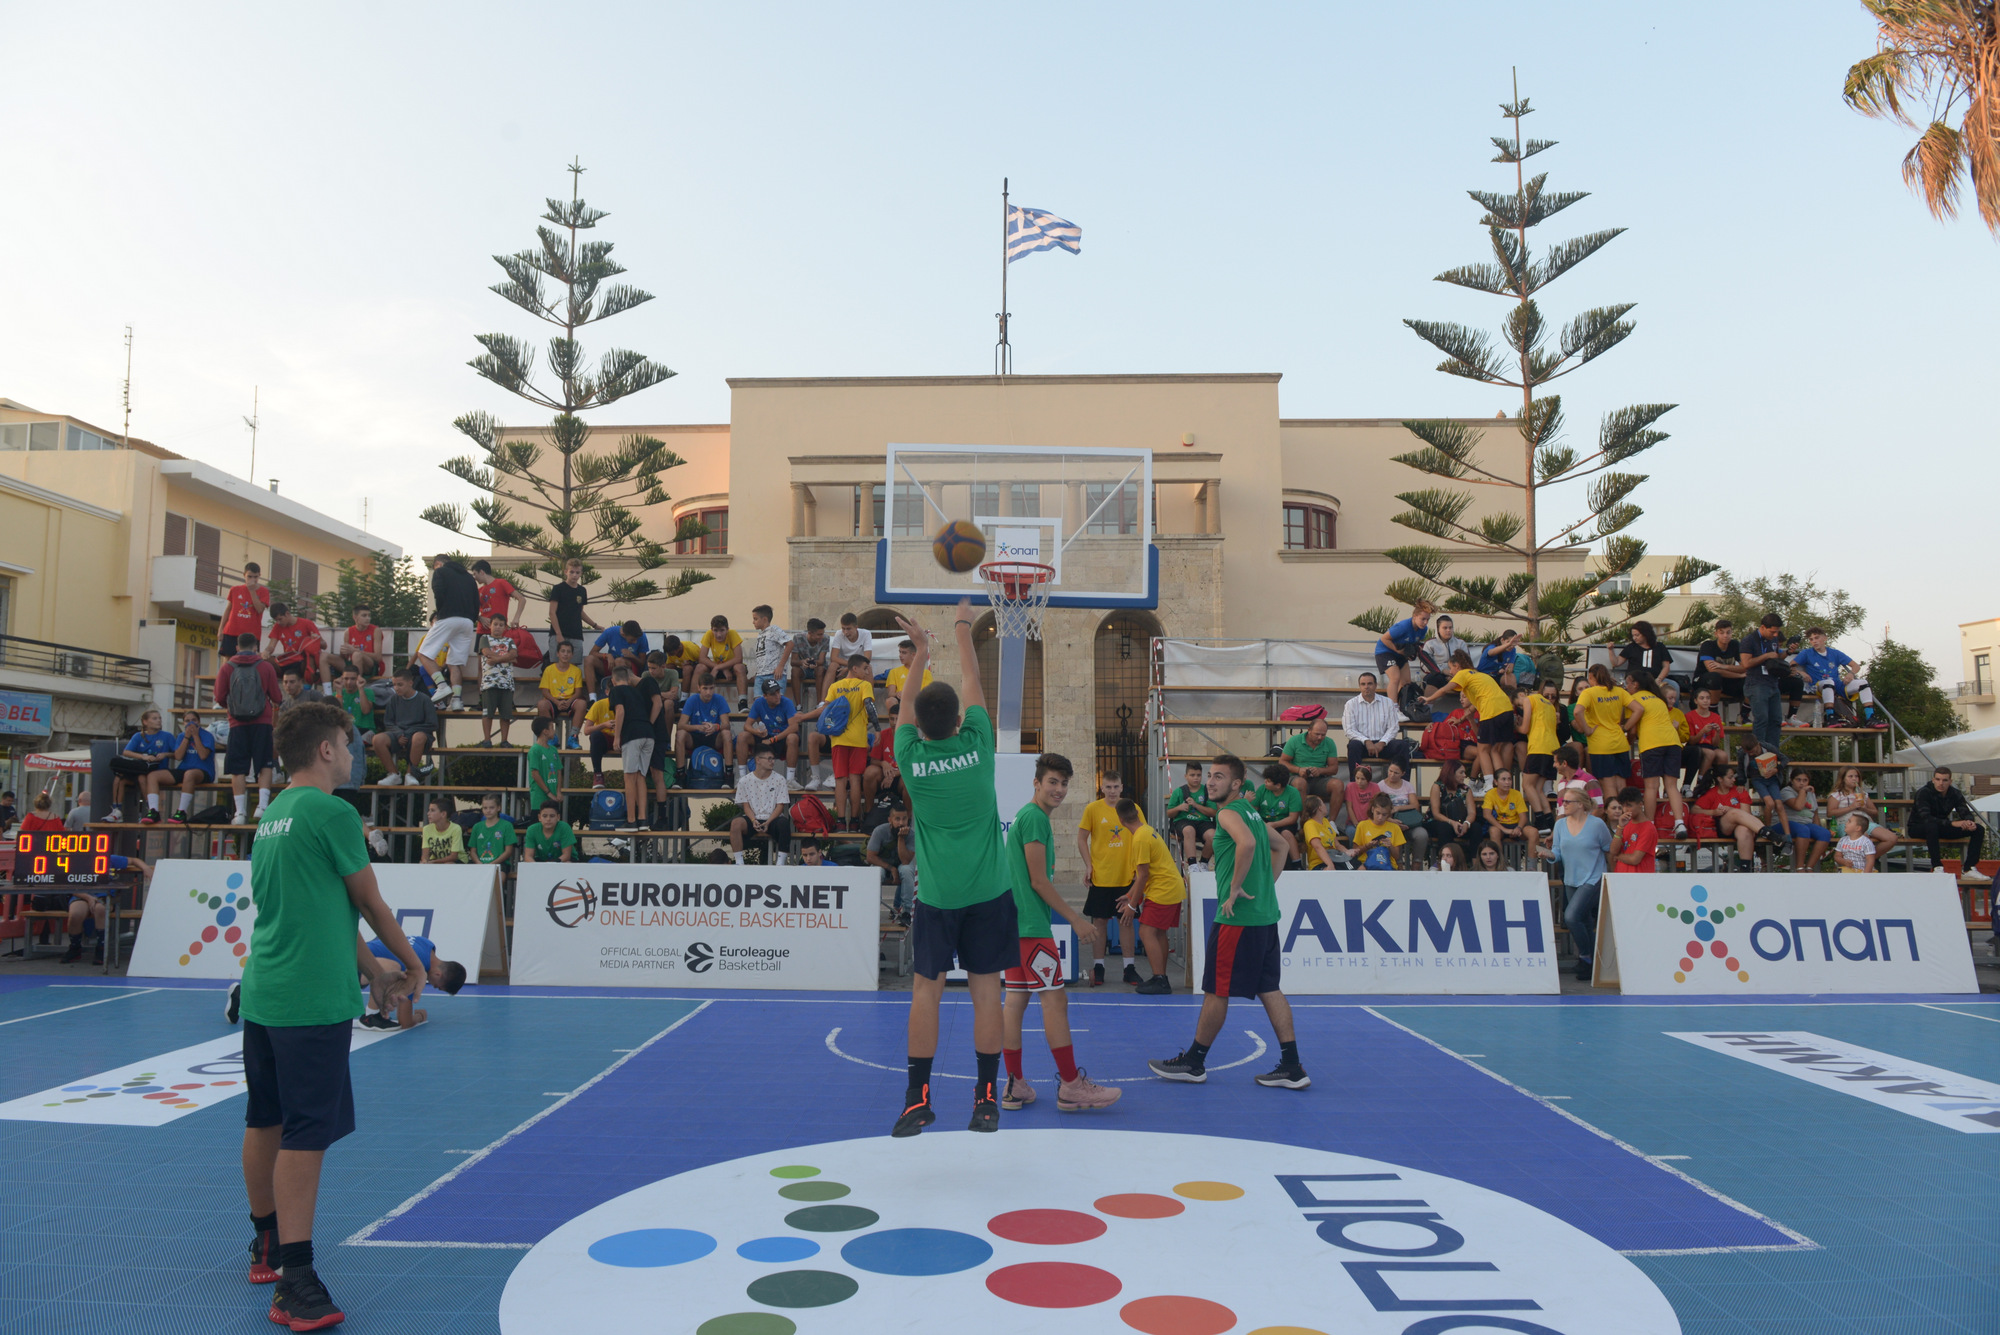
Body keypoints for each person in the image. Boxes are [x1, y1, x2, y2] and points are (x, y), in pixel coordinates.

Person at [236, 701, 426, 1331]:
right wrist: (410, 965)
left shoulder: (273, 815)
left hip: (264, 989)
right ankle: (296, 1278)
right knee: (306, 1133)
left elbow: (323, 909)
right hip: (309, 999)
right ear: (325, 749)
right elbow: (369, 902)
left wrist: (373, 973)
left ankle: (266, 1242)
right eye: (348, 744)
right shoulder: (333, 811)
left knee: (265, 1117)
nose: (352, 754)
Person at [890, 598, 1014, 1137]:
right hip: (989, 892)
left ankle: (917, 1100)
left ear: (918, 724)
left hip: (937, 897)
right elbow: (971, 677)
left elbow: (907, 707)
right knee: (988, 993)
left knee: (926, 992)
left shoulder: (910, 758)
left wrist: (920, 651)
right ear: (961, 722)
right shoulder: (981, 745)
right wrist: (963, 628)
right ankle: (986, 1098)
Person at [1149, 753, 1308, 1089]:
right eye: (1210, 775)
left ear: (1236, 784)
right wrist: (1264, 885)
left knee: (1216, 990)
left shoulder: (1228, 813)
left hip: (1237, 920)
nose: (1210, 781)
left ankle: (1194, 1062)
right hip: (1264, 916)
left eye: (1219, 777)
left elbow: (1247, 844)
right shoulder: (1252, 812)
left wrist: (1235, 887)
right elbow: (1279, 846)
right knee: (1269, 988)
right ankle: (1293, 1066)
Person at [998, 751, 1120, 1112]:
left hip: (1015, 926)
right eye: (1052, 781)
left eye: (1064, 783)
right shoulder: (1034, 819)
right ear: (1037, 783)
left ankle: (1015, 1084)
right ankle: (1071, 1086)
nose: (1059, 789)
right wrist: (1075, 919)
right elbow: (1038, 881)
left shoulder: (1025, 816)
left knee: (1016, 1002)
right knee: (1055, 1000)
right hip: (1032, 927)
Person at [1117, 799, 1187, 995]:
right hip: (1172, 888)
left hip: (1163, 890)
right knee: (1158, 933)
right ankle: (1160, 976)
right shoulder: (1147, 830)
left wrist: (1132, 906)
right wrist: (1130, 895)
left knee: (1146, 933)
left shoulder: (1139, 838)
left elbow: (1143, 875)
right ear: (1137, 814)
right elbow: (1145, 875)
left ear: (1121, 820)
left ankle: (1160, 980)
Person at [1422, 649, 1515, 793]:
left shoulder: (1462, 674)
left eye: (1451, 668)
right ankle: (1502, 784)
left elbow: (1444, 690)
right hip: (1506, 711)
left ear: (1457, 666)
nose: (1451, 672)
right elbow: (1474, 705)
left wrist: (1428, 699)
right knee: (1495, 750)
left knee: (1483, 749)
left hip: (1491, 712)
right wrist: (1462, 718)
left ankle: (1489, 786)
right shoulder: (1479, 675)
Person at [1078, 769, 1139, 985]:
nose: (1112, 791)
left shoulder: (1133, 808)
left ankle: (1129, 967)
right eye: (1108, 787)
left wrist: (1139, 870)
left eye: (1116, 787)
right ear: (1101, 788)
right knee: (1099, 922)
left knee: (1126, 922)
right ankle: (1098, 967)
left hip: (1126, 876)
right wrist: (1088, 865)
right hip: (1101, 876)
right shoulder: (1093, 809)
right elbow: (1081, 838)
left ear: (1122, 787)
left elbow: (1141, 837)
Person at [215, 633, 282, 824]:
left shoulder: (227, 667)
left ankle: (240, 812)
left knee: (238, 769)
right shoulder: (265, 666)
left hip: (237, 723)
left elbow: (219, 696)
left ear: (237, 647)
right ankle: (262, 807)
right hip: (262, 722)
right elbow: (277, 697)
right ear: (255, 647)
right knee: (264, 764)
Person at [1548, 787, 1613, 980]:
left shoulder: (1597, 824)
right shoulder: (1560, 825)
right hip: (1571, 878)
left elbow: (1609, 848)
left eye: (1567, 802)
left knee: (1571, 916)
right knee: (1583, 920)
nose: (1563, 805)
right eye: (1563, 802)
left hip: (1593, 877)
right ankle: (1592, 962)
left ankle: (1585, 956)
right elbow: (1557, 852)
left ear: (1581, 804)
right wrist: (1548, 854)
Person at [1625, 670, 1689, 836]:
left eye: (1628, 683)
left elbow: (1631, 728)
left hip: (1652, 743)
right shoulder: (1658, 699)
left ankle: (1650, 824)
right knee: (1672, 786)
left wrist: (1628, 740)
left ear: (1636, 684)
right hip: (1672, 742)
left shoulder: (1633, 699)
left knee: (1651, 787)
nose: (1626, 686)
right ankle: (1679, 823)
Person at [359, 933, 468, 1030]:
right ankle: (370, 1016)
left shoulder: (427, 944)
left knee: (392, 967)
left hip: (354, 958)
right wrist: (420, 1017)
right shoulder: (416, 968)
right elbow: (405, 1022)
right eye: (437, 986)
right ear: (438, 974)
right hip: (353, 967)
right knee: (393, 967)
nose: (433, 986)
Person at [815, 654, 875, 826]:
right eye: (865, 668)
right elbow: (870, 707)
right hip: (858, 739)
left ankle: (841, 821)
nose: (866, 672)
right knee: (855, 779)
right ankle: (855, 821)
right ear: (854, 668)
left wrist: (803, 717)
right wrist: (877, 728)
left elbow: (826, 711)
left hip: (838, 738)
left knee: (840, 780)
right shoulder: (864, 685)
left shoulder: (835, 686)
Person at [415, 555, 481, 710]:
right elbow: (476, 601)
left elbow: (438, 592)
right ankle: (457, 699)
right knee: (454, 662)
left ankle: (442, 685)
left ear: (438, 564)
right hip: (467, 622)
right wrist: (471, 618)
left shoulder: (440, 572)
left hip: (448, 617)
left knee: (423, 653)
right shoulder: (469, 577)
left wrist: (442, 611)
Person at [60, 854, 150, 965]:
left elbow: (133, 859)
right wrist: (88, 898)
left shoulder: (109, 858)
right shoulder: (74, 860)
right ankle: (75, 948)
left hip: (104, 895)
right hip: (82, 895)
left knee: (100, 909)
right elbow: (68, 884)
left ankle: (101, 948)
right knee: (75, 914)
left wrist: (145, 867)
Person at [1910, 766, 1989, 882]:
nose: (1940, 783)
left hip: (1941, 827)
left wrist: (1969, 822)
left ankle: (1968, 869)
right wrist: (1953, 823)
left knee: (1978, 829)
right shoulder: (1923, 793)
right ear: (1933, 780)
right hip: (1918, 826)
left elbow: (1964, 811)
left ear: (1950, 781)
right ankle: (1937, 867)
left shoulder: (1954, 793)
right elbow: (1926, 818)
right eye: (1938, 779)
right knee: (1931, 826)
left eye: (1944, 780)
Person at [1795, 627, 1883, 727]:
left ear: (1825, 638)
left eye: (1816, 638)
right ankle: (1830, 717)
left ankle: (1870, 717)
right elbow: (1790, 666)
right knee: (1829, 682)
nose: (1814, 641)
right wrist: (1801, 672)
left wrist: (1850, 674)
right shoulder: (1806, 653)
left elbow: (1856, 666)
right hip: (1818, 686)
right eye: (1811, 639)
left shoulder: (1835, 653)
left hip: (1837, 684)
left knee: (1863, 683)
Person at [372, 669, 440, 786]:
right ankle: (393, 774)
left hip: (419, 734)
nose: (396, 688)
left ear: (410, 683)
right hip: (398, 734)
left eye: (400, 684)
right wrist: (399, 734)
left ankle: (410, 774)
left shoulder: (424, 699)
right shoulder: (393, 699)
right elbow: (388, 722)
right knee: (377, 739)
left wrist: (409, 733)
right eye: (394, 685)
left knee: (418, 738)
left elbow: (432, 724)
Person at [1693, 767, 1773, 864]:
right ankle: (1767, 832)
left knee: (1744, 830)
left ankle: (1745, 868)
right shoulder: (1712, 793)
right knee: (1733, 813)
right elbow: (1694, 810)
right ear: (1720, 779)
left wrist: (1730, 809)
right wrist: (1713, 812)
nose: (1734, 780)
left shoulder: (1739, 791)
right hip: (1722, 828)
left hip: (1740, 827)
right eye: (1730, 777)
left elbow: (1746, 813)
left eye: (1734, 777)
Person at [1341, 671, 1411, 779]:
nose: (1366, 687)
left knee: (1402, 746)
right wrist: (1366, 741)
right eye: (1363, 684)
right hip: (1362, 745)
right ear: (1359, 686)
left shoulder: (1388, 702)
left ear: (1375, 685)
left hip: (1384, 745)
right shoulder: (1351, 704)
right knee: (1353, 745)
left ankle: (1402, 786)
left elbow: (1393, 727)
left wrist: (1382, 742)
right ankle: (1354, 785)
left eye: (1369, 684)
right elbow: (1349, 730)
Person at [1574, 664, 1635, 787]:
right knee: (1621, 782)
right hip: (1620, 743)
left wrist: (1587, 730)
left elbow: (1577, 711)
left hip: (1600, 745)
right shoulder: (1619, 691)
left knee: (1607, 784)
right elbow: (1639, 709)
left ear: (1591, 677)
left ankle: (1611, 807)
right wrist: (1625, 727)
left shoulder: (1589, 693)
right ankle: (1622, 807)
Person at [729, 745, 792, 864]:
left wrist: (768, 822)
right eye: (769, 758)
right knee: (736, 824)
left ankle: (781, 863)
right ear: (758, 760)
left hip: (773, 818)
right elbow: (746, 806)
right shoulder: (744, 781)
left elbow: (780, 806)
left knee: (784, 824)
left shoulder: (780, 779)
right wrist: (753, 820)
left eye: (773, 759)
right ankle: (739, 862)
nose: (772, 762)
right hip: (753, 817)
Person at [112, 708, 176, 823]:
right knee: (119, 778)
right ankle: (117, 810)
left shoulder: (167, 736)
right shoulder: (138, 736)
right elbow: (126, 752)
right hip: (141, 769)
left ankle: (151, 809)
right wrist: (143, 757)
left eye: (159, 718)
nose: (158, 721)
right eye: (155, 718)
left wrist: (165, 754)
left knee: (144, 777)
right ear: (145, 722)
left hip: (158, 771)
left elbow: (177, 754)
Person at [609, 663, 652, 831]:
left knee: (629, 777)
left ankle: (631, 820)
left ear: (613, 680)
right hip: (649, 734)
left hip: (632, 734)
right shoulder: (637, 691)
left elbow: (620, 711)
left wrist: (617, 736)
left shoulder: (616, 691)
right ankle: (643, 820)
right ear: (628, 678)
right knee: (641, 776)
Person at [1738, 612, 1788, 755]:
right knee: (1762, 719)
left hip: (1772, 683)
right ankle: (1758, 754)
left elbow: (1776, 657)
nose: (1775, 635)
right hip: (1756, 683)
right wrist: (1766, 655)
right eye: (1772, 632)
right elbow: (1746, 663)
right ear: (1763, 627)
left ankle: (1772, 753)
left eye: (1777, 632)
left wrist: (1788, 652)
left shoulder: (1773, 640)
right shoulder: (1749, 640)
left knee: (1776, 720)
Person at [1828, 765, 1900, 864]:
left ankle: (1866, 861)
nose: (1854, 779)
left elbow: (1875, 812)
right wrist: (1851, 807)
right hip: (1846, 823)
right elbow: (1830, 813)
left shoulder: (1863, 794)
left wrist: (1863, 808)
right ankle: (1860, 863)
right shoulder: (1837, 795)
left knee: (1892, 838)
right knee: (1863, 837)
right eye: (1850, 776)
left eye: (1856, 776)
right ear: (1843, 779)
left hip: (1866, 822)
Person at [154, 711, 218, 824]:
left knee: (190, 774)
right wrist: (187, 738)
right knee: (153, 776)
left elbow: (203, 755)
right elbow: (178, 756)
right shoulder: (181, 736)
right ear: (183, 723)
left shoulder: (207, 736)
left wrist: (196, 736)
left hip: (203, 771)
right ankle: (153, 811)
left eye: (194, 720)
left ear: (199, 722)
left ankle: (181, 811)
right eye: (187, 721)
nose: (191, 723)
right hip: (184, 769)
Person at [1373, 600, 1434, 714]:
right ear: (1414, 616)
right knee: (1395, 677)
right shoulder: (1403, 626)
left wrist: (1412, 652)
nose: (1425, 622)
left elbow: (1414, 644)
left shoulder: (1423, 630)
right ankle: (1393, 708)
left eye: (1427, 620)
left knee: (1406, 682)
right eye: (1423, 619)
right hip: (1385, 651)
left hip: (1400, 654)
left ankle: (1403, 708)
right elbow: (1384, 639)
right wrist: (1397, 650)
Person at [1517, 681, 1561, 822]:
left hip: (1538, 747)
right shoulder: (1551, 706)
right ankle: (1549, 819)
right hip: (1553, 749)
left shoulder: (1530, 699)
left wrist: (1516, 725)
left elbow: (1524, 729)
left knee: (1527, 785)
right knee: (1538, 788)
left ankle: (1540, 819)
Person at [475, 614, 519, 746]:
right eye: (495, 624)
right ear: (490, 625)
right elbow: (486, 652)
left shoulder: (509, 641)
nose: (498, 627)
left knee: (506, 715)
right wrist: (506, 658)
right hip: (489, 683)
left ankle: (504, 740)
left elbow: (514, 654)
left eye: (501, 625)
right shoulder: (485, 638)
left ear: (505, 627)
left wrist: (496, 660)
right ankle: (487, 739)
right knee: (487, 713)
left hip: (506, 684)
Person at [545, 558, 599, 664]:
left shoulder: (582, 591)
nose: (574, 575)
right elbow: (552, 612)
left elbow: (580, 612)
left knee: (575, 665)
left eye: (577, 572)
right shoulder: (558, 589)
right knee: (556, 665)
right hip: (559, 634)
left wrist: (595, 625)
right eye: (572, 572)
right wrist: (559, 634)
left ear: (581, 574)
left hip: (576, 634)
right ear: (566, 572)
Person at [1165, 760, 1217, 869]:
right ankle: (1192, 865)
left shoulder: (1207, 790)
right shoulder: (1179, 791)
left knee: (1213, 835)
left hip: (1203, 822)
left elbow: (1213, 812)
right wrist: (1179, 808)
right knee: (1189, 830)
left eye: (1198, 775)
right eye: (1192, 775)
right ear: (1185, 776)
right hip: (1184, 821)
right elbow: (1169, 813)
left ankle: (1204, 863)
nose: (1196, 778)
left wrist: (1196, 805)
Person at [1279, 714, 1342, 805]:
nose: (1320, 737)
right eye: (1317, 734)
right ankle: (1303, 818)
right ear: (1309, 731)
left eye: (1323, 735)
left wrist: (1320, 771)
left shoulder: (1329, 742)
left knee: (1338, 785)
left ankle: (1332, 819)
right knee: (1300, 783)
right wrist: (1299, 770)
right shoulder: (1294, 740)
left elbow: (1334, 768)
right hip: (1298, 776)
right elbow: (1282, 761)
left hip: (1320, 779)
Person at [867, 803, 915, 922]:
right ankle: (872, 910)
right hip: (882, 864)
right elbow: (870, 857)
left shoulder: (911, 835)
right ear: (890, 820)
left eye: (904, 819)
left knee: (907, 870)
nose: (901, 823)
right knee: (877, 872)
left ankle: (906, 912)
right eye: (897, 819)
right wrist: (891, 869)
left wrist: (901, 838)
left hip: (900, 866)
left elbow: (905, 861)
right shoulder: (879, 831)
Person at [1253, 763, 1305, 869]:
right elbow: (1253, 811)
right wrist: (1262, 824)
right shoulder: (1262, 790)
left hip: (1284, 822)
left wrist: (1274, 824)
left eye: (1268, 781)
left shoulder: (1293, 792)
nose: (1265, 782)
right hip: (1263, 821)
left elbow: (1293, 818)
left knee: (1287, 833)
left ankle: (1297, 864)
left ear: (1278, 785)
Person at [536, 640, 589, 746]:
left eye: (568, 652)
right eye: (563, 651)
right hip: (554, 700)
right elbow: (545, 691)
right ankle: (552, 737)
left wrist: (568, 702)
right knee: (541, 704)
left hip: (570, 700)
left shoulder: (576, 671)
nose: (565, 654)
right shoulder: (549, 670)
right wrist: (557, 702)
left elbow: (578, 692)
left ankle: (573, 737)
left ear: (572, 655)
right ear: (557, 653)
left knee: (582, 704)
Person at [740, 679, 800, 770]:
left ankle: (790, 779)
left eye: (778, 692)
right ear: (765, 696)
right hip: (766, 736)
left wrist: (773, 739)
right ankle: (742, 776)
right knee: (743, 736)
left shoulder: (787, 702)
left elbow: (794, 727)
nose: (778, 696)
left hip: (782, 738)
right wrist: (756, 732)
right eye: (773, 694)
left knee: (793, 737)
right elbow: (746, 726)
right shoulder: (758, 702)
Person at [1695, 618, 1747, 723]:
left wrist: (1724, 666)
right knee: (1714, 677)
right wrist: (1739, 675)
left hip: (1726, 681)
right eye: (1721, 632)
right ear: (1716, 634)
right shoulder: (1708, 645)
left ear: (1732, 633)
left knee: (1752, 679)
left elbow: (1745, 667)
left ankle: (1744, 715)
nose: (1725, 635)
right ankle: (1713, 714)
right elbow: (1712, 669)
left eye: (1728, 632)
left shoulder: (1735, 645)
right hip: (1704, 681)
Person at [1481, 768, 1538, 864]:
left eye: (1509, 779)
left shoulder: (1516, 794)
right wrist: (1504, 829)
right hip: (1500, 826)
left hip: (1516, 825)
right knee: (1493, 831)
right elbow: (1487, 815)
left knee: (1533, 832)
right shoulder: (1490, 794)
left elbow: (1523, 816)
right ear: (1495, 781)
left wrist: (1519, 828)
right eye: (1503, 779)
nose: (1507, 782)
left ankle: (1531, 866)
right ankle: (1500, 865)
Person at [1377, 760, 1428, 865]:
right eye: (1390, 771)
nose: (1392, 774)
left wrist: (1398, 808)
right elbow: (1378, 809)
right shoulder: (1380, 786)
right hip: (1389, 823)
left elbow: (1415, 805)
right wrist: (1391, 820)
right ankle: (1398, 864)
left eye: (1396, 773)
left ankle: (1416, 865)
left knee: (1422, 834)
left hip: (1408, 823)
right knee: (1393, 833)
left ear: (1403, 773)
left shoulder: (1407, 785)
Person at [1425, 768, 1481, 862]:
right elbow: (1436, 813)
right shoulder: (1438, 786)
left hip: (1460, 822)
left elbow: (1472, 812)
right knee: (1445, 828)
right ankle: (1443, 862)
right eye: (1461, 772)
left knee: (1476, 827)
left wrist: (1466, 823)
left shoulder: (1466, 789)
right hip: (1438, 821)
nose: (1464, 775)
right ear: (1451, 772)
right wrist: (1452, 823)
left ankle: (1476, 864)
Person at [264, 603, 325, 684]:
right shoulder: (277, 626)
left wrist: (316, 639)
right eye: (276, 620)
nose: (278, 622)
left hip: (303, 662)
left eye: (280, 619)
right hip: (287, 661)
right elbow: (271, 646)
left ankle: (307, 688)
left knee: (310, 658)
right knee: (261, 660)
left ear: (287, 614)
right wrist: (266, 652)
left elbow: (324, 645)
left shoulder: (306, 623)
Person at [588, 620, 652, 696]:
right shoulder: (610, 632)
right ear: (623, 634)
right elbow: (592, 652)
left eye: (636, 639)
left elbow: (642, 663)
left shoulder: (642, 637)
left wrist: (632, 656)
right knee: (589, 660)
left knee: (619, 661)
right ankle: (592, 698)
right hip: (611, 665)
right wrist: (607, 655)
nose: (635, 642)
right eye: (632, 639)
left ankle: (622, 693)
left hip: (630, 669)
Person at [1784, 771, 1832, 872]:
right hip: (1787, 823)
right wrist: (1802, 792)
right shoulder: (1786, 791)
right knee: (1803, 830)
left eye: (1805, 780)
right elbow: (1798, 806)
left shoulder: (1811, 794)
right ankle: (1800, 867)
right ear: (1792, 781)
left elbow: (1815, 814)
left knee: (1824, 833)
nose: (1802, 783)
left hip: (1806, 823)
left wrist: (1817, 829)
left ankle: (1809, 867)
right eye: (1798, 780)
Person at [1684, 688, 1728, 795]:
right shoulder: (1689, 716)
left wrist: (1717, 732)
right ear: (1696, 701)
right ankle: (1701, 783)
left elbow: (1715, 744)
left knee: (1723, 755)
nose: (1705, 701)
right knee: (1710, 753)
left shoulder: (1716, 717)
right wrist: (1703, 731)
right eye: (1702, 698)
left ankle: (1719, 785)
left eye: (1708, 698)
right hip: (1695, 746)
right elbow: (1691, 741)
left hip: (1710, 746)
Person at [696, 614, 746, 704]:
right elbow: (702, 658)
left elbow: (739, 658)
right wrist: (719, 668)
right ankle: (693, 700)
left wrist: (719, 667)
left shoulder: (733, 634)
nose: (719, 635)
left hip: (731, 668)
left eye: (722, 630)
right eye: (715, 630)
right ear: (711, 630)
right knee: (700, 667)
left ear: (727, 629)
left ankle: (743, 702)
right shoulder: (708, 634)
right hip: (718, 668)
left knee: (740, 667)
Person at [220, 562, 271, 649]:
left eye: (255, 577)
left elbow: (259, 609)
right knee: (228, 658)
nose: (252, 579)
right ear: (244, 575)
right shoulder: (235, 589)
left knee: (250, 660)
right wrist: (220, 629)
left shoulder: (264, 591)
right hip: (232, 631)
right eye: (249, 576)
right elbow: (228, 610)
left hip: (251, 634)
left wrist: (252, 591)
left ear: (259, 576)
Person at [327, 605, 383, 683]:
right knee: (324, 656)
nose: (368, 618)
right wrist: (343, 652)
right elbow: (345, 658)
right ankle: (327, 690)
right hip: (351, 664)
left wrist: (355, 650)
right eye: (364, 615)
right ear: (355, 618)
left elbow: (378, 657)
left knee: (356, 654)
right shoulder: (348, 631)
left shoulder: (376, 630)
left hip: (369, 665)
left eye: (369, 615)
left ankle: (356, 686)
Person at [1353, 793, 1408, 869]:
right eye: (1378, 813)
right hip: (1366, 865)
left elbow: (1397, 856)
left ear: (1389, 814)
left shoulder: (1394, 828)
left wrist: (1390, 846)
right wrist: (1367, 846)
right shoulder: (1362, 825)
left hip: (1388, 866)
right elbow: (1355, 852)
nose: (1380, 817)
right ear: (1372, 810)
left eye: (1384, 815)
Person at [1613, 788, 1658, 873]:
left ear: (1640, 804)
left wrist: (1619, 857)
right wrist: (1620, 827)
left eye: (1629, 805)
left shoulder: (1648, 828)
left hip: (1639, 878)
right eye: (1623, 806)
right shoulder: (1625, 824)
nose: (1625, 809)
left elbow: (1635, 859)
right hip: (1621, 876)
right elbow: (1613, 851)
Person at [1300, 793, 1351, 870]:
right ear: (1320, 808)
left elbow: (1337, 844)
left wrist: (1348, 852)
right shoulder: (1309, 824)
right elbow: (1317, 846)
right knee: (1330, 871)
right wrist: (1330, 864)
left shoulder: (1326, 821)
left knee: (1359, 867)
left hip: (1335, 858)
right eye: (1323, 803)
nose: (1325, 806)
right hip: (1319, 862)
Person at [526, 716, 566, 814]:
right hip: (539, 798)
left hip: (554, 798)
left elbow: (559, 771)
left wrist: (558, 791)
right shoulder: (535, 750)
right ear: (545, 731)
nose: (554, 731)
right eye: (552, 728)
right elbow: (535, 773)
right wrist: (548, 793)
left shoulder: (553, 750)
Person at [467, 792, 517, 866]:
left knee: (497, 877)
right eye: (485, 808)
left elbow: (508, 851)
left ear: (498, 808)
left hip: (500, 864)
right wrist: (478, 863)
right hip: (479, 864)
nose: (488, 811)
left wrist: (492, 864)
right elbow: (473, 851)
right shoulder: (477, 827)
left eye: (492, 807)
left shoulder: (507, 825)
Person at [471, 559, 525, 627]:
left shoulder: (501, 583)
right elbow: (471, 610)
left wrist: (516, 618)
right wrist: (479, 618)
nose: (474, 578)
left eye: (475, 574)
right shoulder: (479, 590)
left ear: (481, 572)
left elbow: (521, 599)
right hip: (482, 630)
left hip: (500, 630)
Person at [581, 688, 617, 788]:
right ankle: (598, 774)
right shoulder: (599, 704)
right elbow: (586, 730)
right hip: (605, 739)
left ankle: (636, 775)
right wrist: (604, 725)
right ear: (607, 692)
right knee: (595, 735)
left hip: (621, 738)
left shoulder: (626, 704)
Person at [791, 618, 831, 706]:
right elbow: (793, 661)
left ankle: (820, 703)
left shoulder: (826, 639)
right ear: (810, 633)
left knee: (820, 669)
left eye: (822, 634)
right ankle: (798, 705)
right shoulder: (798, 638)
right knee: (794, 670)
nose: (822, 636)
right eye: (819, 634)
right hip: (803, 669)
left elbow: (821, 660)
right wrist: (802, 662)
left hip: (818, 669)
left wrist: (814, 663)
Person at [1340, 762, 1382, 839]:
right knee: (1353, 833)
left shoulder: (1375, 787)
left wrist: (1369, 822)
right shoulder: (1350, 787)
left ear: (1368, 779)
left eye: (1363, 779)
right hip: (1353, 823)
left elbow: (1377, 806)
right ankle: (1354, 850)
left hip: (1370, 821)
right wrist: (1356, 824)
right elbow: (1349, 807)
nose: (1359, 781)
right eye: (1357, 778)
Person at [420, 798, 468, 864]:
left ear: (443, 814)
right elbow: (425, 855)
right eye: (429, 810)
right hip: (435, 861)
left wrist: (434, 862)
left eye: (432, 810)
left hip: (457, 861)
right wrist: (425, 861)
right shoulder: (426, 829)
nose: (428, 813)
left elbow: (453, 856)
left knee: (449, 864)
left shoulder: (455, 828)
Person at [829, 612, 872, 683]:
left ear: (856, 627)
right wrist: (850, 666)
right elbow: (833, 657)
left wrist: (848, 668)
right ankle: (826, 694)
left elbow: (867, 658)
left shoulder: (866, 634)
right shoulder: (839, 634)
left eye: (848, 629)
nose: (845, 632)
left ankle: (870, 694)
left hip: (858, 665)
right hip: (843, 665)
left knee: (868, 667)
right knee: (832, 666)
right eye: (843, 628)